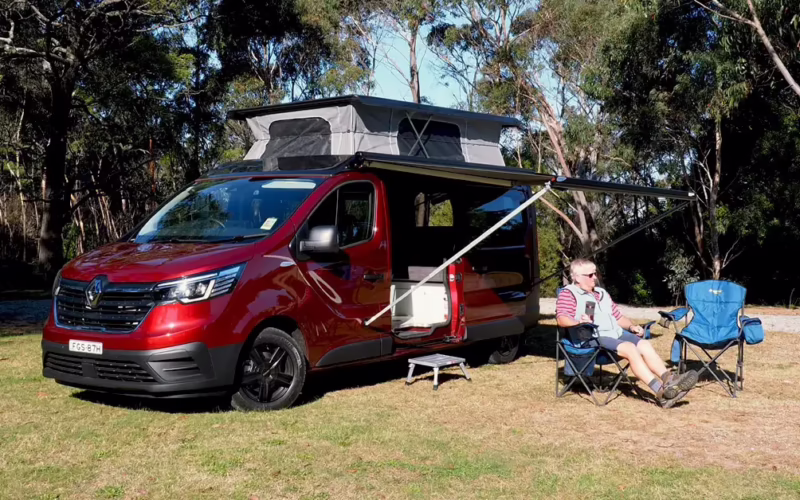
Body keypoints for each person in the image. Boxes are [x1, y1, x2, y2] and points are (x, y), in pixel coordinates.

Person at [556, 258, 698, 408]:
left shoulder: (601, 293)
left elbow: (618, 317)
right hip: (591, 338)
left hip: (614, 334)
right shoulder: (569, 294)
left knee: (643, 344)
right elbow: (561, 319)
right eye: (590, 275)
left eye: (595, 273)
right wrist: (578, 322)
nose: (595, 277)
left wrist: (631, 327)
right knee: (630, 348)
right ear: (577, 278)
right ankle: (661, 393)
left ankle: (669, 379)